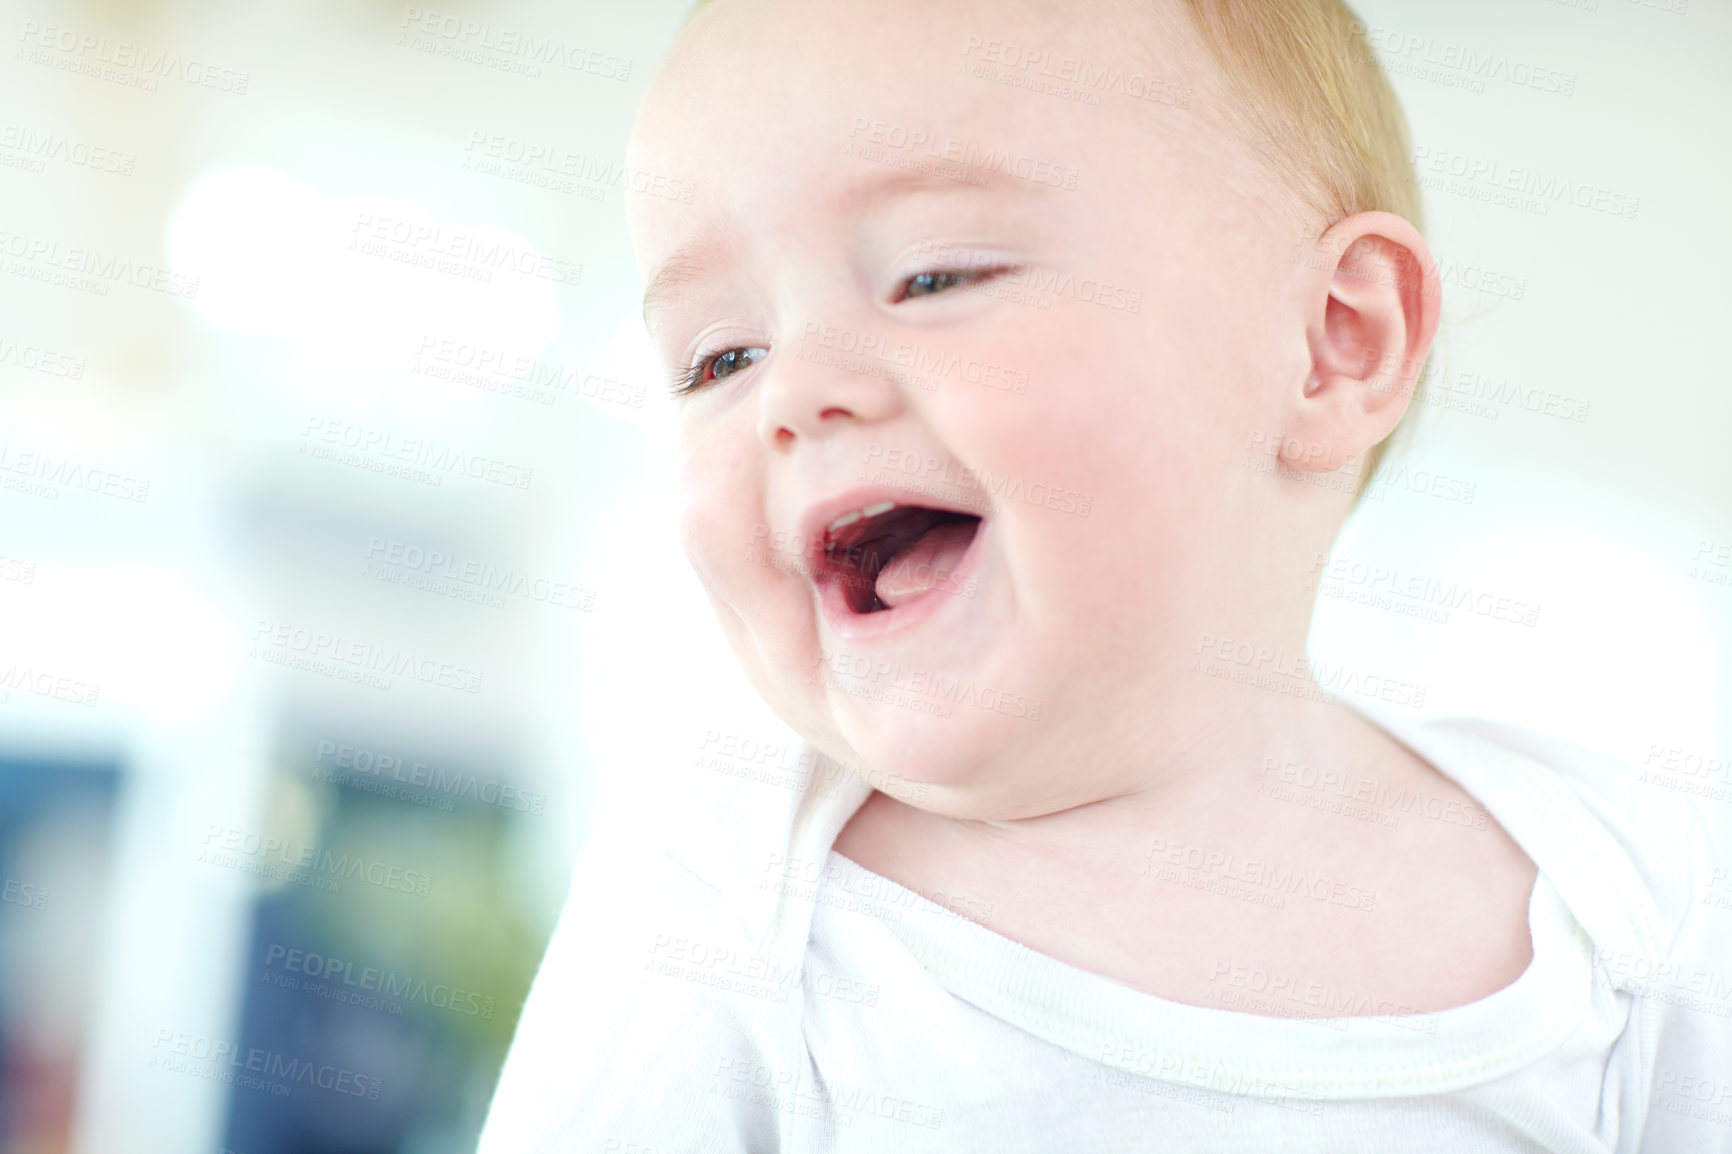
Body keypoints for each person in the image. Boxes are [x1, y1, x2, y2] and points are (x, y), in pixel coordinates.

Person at [479, 0, 1729, 1149]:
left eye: (934, 274)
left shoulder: (1632, 905)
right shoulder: (726, 916)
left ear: (1333, 343)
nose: (795, 393)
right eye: (718, 358)